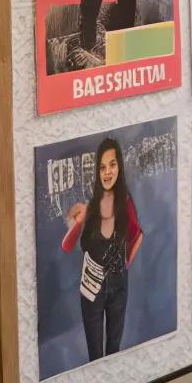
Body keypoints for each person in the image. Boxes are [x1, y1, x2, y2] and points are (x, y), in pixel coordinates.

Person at [61, 136, 143, 362]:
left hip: (119, 288)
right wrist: (79, 221)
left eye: (112, 165)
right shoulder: (89, 207)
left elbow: (138, 235)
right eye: (102, 167)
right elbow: (66, 245)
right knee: (95, 357)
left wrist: (125, 265)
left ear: (119, 167)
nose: (107, 172)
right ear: (97, 171)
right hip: (92, 289)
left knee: (114, 352)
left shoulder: (125, 202)